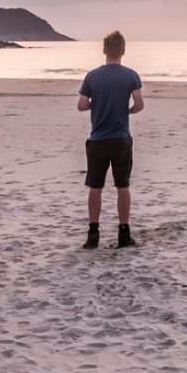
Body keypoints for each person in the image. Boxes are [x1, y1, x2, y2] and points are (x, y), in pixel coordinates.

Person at [78, 30, 144, 249]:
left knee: (95, 187)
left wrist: (97, 105)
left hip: (97, 140)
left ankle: (93, 234)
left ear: (105, 50)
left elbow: (81, 105)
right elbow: (139, 104)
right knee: (122, 186)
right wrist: (126, 112)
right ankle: (124, 234)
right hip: (121, 139)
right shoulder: (131, 75)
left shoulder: (92, 76)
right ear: (123, 51)